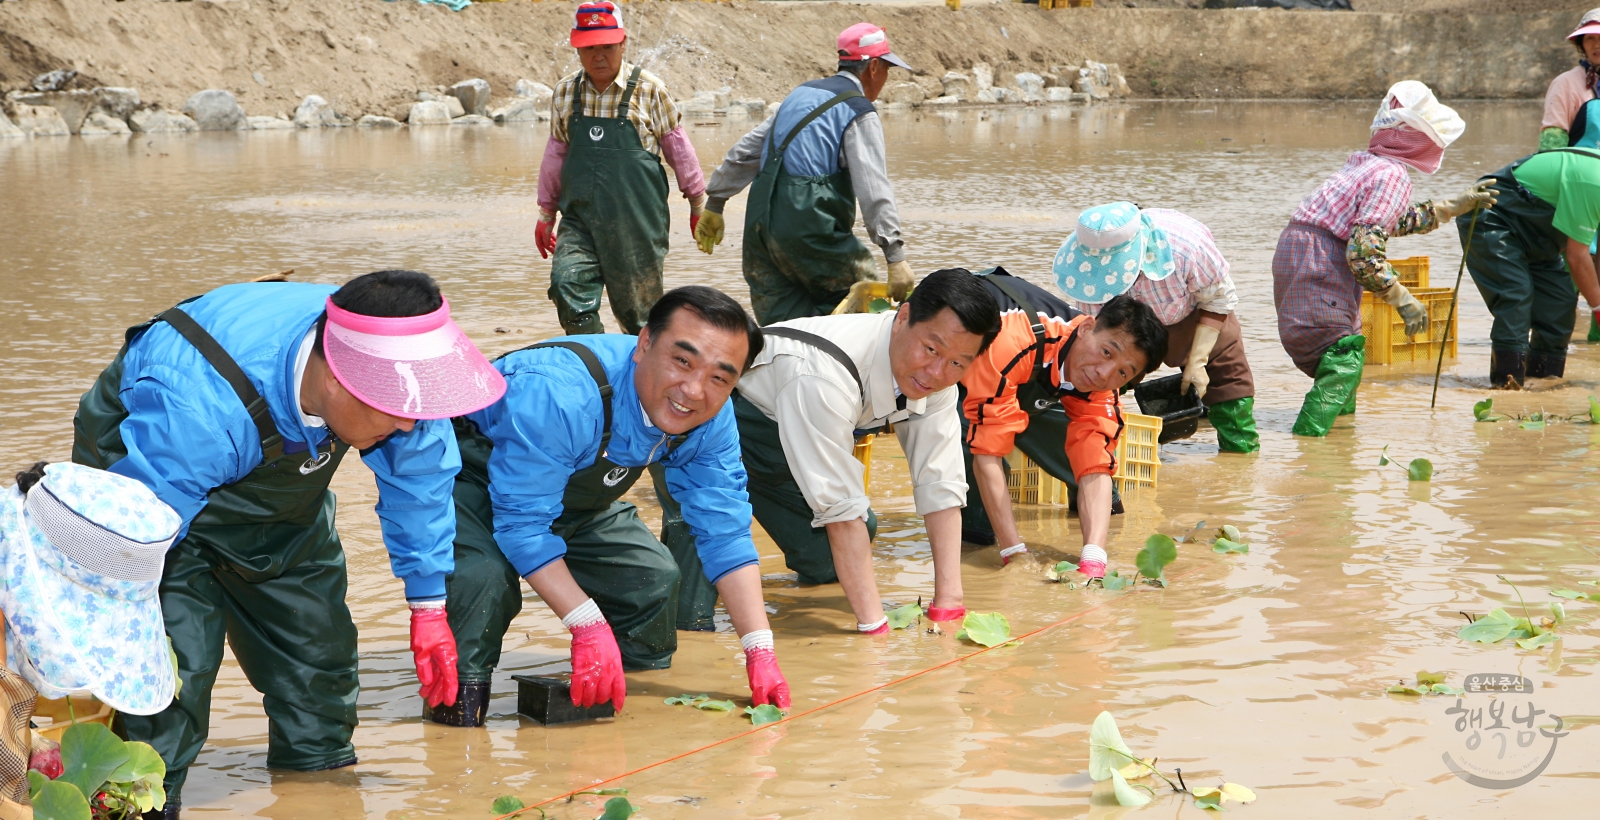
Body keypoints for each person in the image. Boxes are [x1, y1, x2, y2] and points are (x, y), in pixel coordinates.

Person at [71, 270, 505, 816]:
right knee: (169, 678)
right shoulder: (198, 408)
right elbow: (129, 550)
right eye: (393, 412)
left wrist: (428, 608)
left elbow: (420, 483)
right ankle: (143, 808)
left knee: (318, 665)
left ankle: (316, 793)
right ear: (335, 381)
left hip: (280, 504)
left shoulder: (401, 388)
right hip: (151, 484)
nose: (406, 426)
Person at [438, 287, 788, 724]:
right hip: (472, 480)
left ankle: (619, 703)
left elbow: (727, 533)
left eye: (720, 377)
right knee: (484, 580)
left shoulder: (711, 420)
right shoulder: (561, 394)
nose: (694, 390)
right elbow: (522, 528)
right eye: (682, 361)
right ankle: (458, 718)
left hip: (571, 496)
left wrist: (759, 649)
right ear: (644, 344)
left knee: (653, 579)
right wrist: (586, 624)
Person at [693, 268, 998, 634]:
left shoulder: (938, 378)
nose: (936, 371)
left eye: (957, 362)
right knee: (685, 612)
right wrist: (874, 630)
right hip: (718, 427)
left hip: (788, 448)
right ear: (902, 317)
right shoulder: (823, 374)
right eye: (930, 349)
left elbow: (941, 484)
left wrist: (949, 603)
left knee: (831, 557)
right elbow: (840, 512)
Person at [1272, 81, 1493, 434]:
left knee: (1338, 356)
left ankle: (1341, 440)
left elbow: (1389, 220)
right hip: (1320, 259)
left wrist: (1452, 206)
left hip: (1296, 250)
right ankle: (1309, 446)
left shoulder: (1367, 165)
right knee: (1343, 355)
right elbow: (1362, 252)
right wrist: (1402, 299)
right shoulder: (1391, 174)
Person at [694, 22, 915, 324]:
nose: (886, 78)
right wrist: (894, 255)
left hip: (760, 232)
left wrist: (716, 201)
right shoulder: (858, 110)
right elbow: (874, 190)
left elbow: (746, 150)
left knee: (783, 330)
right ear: (874, 67)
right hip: (809, 234)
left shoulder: (801, 94)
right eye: (887, 69)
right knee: (862, 301)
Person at [958, 269, 1167, 575]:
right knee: (981, 518)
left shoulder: (1102, 385)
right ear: (1088, 327)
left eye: (1124, 372)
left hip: (1032, 374)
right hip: (973, 366)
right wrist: (1014, 553)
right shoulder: (1015, 338)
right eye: (1107, 352)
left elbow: (1095, 465)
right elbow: (987, 453)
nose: (1104, 373)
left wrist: (1094, 557)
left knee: (1099, 477)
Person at [536, 1, 708, 336]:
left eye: (607, 47)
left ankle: (643, 380)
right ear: (577, 48)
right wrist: (546, 213)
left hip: (637, 225)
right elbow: (555, 154)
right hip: (579, 221)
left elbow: (679, 150)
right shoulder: (565, 92)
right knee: (566, 286)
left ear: (623, 43)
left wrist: (698, 204)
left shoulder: (650, 90)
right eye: (589, 49)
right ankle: (595, 367)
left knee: (640, 319)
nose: (598, 57)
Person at [1055, 202, 1259, 453]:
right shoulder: (1087, 269)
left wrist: (1198, 360)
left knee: (1230, 394)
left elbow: (1218, 298)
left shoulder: (1185, 247)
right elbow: (1095, 338)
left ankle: (1239, 467)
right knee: (1094, 387)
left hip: (1196, 316)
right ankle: (1100, 452)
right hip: (1127, 332)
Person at [1460, 146, 1600, 387]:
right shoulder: (1594, 183)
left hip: (1539, 237)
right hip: (1493, 218)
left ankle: (1544, 388)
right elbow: (1577, 257)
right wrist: (1598, 308)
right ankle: (1506, 388)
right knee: (1515, 296)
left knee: (1560, 302)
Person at [1541, 9, 1600, 152]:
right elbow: (1552, 144)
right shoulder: (1565, 83)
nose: (1597, 44)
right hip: (1580, 170)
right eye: (1590, 38)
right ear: (1582, 46)